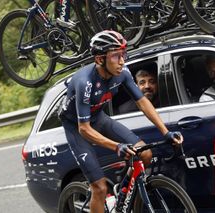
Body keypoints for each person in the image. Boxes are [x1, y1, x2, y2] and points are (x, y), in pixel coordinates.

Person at [59, 30, 183, 213]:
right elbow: (84, 129)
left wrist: (166, 132)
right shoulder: (85, 82)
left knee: (145, 154)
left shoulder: (122, 72)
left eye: (123, 54)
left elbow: (142, 102)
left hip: (99, 118)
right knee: (99, 188)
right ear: (100, 59)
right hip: (77, 128)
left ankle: (122, 195)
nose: (123, 61)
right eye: (116, 56)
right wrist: (117, 146)